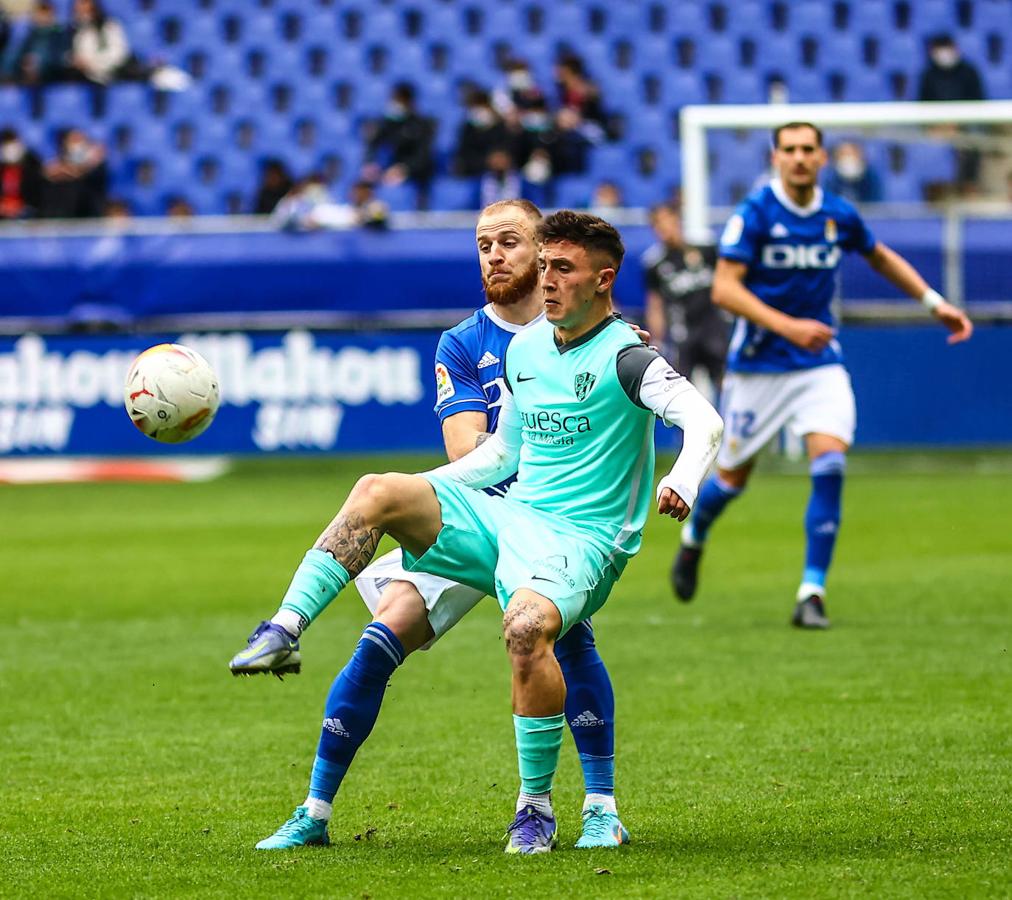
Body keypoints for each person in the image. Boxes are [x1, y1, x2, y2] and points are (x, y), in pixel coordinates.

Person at [229, 209, 724, 854]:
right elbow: (499, 456)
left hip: (579, 541)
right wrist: (423, 489)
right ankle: (283, 632)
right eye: (542, 265)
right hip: (505, 514)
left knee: (531, 630)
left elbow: (704, 422)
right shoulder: (517, 348)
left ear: (602, 280)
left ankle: (540, 809)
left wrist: (682, 482)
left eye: (558, 267)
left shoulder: (627, 356)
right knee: (377, 491)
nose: (545, 279)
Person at [671, 122, 973, 628]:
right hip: (759, 367)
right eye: (789, 150)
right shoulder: (755, 214)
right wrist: (789, 327)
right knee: (731, 479)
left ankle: (812, 592)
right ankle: (694, 537)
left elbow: (878, 256)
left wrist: (933, 302)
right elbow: (724, 290)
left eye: (808, 149)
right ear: (776, 157)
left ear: (822, 158)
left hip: (818, 364)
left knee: (830, 464)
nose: (799, 158)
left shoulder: (837, 214)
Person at [642, 203, 728, 398]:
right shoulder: (654, 263)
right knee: (682, 390)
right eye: (659, 225)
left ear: (678, 220)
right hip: (683, 333)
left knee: (724, 383)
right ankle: (689, 429)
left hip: (713, 328)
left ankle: (731, 426)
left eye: (669, 222)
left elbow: (726, 282)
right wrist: (657, 338)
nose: (666, 229)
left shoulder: (706, 249)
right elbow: (655, 304)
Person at [917, 34, 987, 197]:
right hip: (936, 129)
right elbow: (921, 107)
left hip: (966, 128)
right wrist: (936, 127)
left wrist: (958, 125)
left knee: (972, 142)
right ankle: (935, 195)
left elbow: (978, 105)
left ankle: (969, 189)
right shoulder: (928, 74)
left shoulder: (969, 72)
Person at [362, 81, 435, 209]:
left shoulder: (422, 124)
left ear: (408, 102)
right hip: (392, 170)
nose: (395, 104)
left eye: (398, 100)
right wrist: (370, 163)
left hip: (417, 174)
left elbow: (423, 156)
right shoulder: (388, 122)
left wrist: (405, 169)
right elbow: (373, 144)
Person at [40, 128, 107, 218]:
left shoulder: (97, 165)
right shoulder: (56, 164)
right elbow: (47, 173)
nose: (78, 144)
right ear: (65, 143)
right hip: (57, 218)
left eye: (81, 140)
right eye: (75, 140)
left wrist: (70, 171)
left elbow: (87, 174)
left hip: (86, 218)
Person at [6, 0, 70, 84]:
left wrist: (40, 64)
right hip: (27, 75)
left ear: (52, 15)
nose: (42, 18)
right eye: (40, 14)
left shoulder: (59, 35)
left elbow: (61, 58)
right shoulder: (31, 35)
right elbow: (19, 55)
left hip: (52, 77)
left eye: (45, 14)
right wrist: (25, 62)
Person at [68, 0, 130, 85]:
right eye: (78, 10)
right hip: (81, 79)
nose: (83, 13)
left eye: (88, 10)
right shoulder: (72, 30)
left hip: (107, 78)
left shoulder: (110, 26)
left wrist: (91, 64)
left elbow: (119, 54)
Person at [0, 128, 44, 219]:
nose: (11, 149)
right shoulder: (2, 170)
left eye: (14, 144)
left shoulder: (32, 169)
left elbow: (37, 198)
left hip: (27, 216)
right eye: (7, 144)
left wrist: (21, 208)